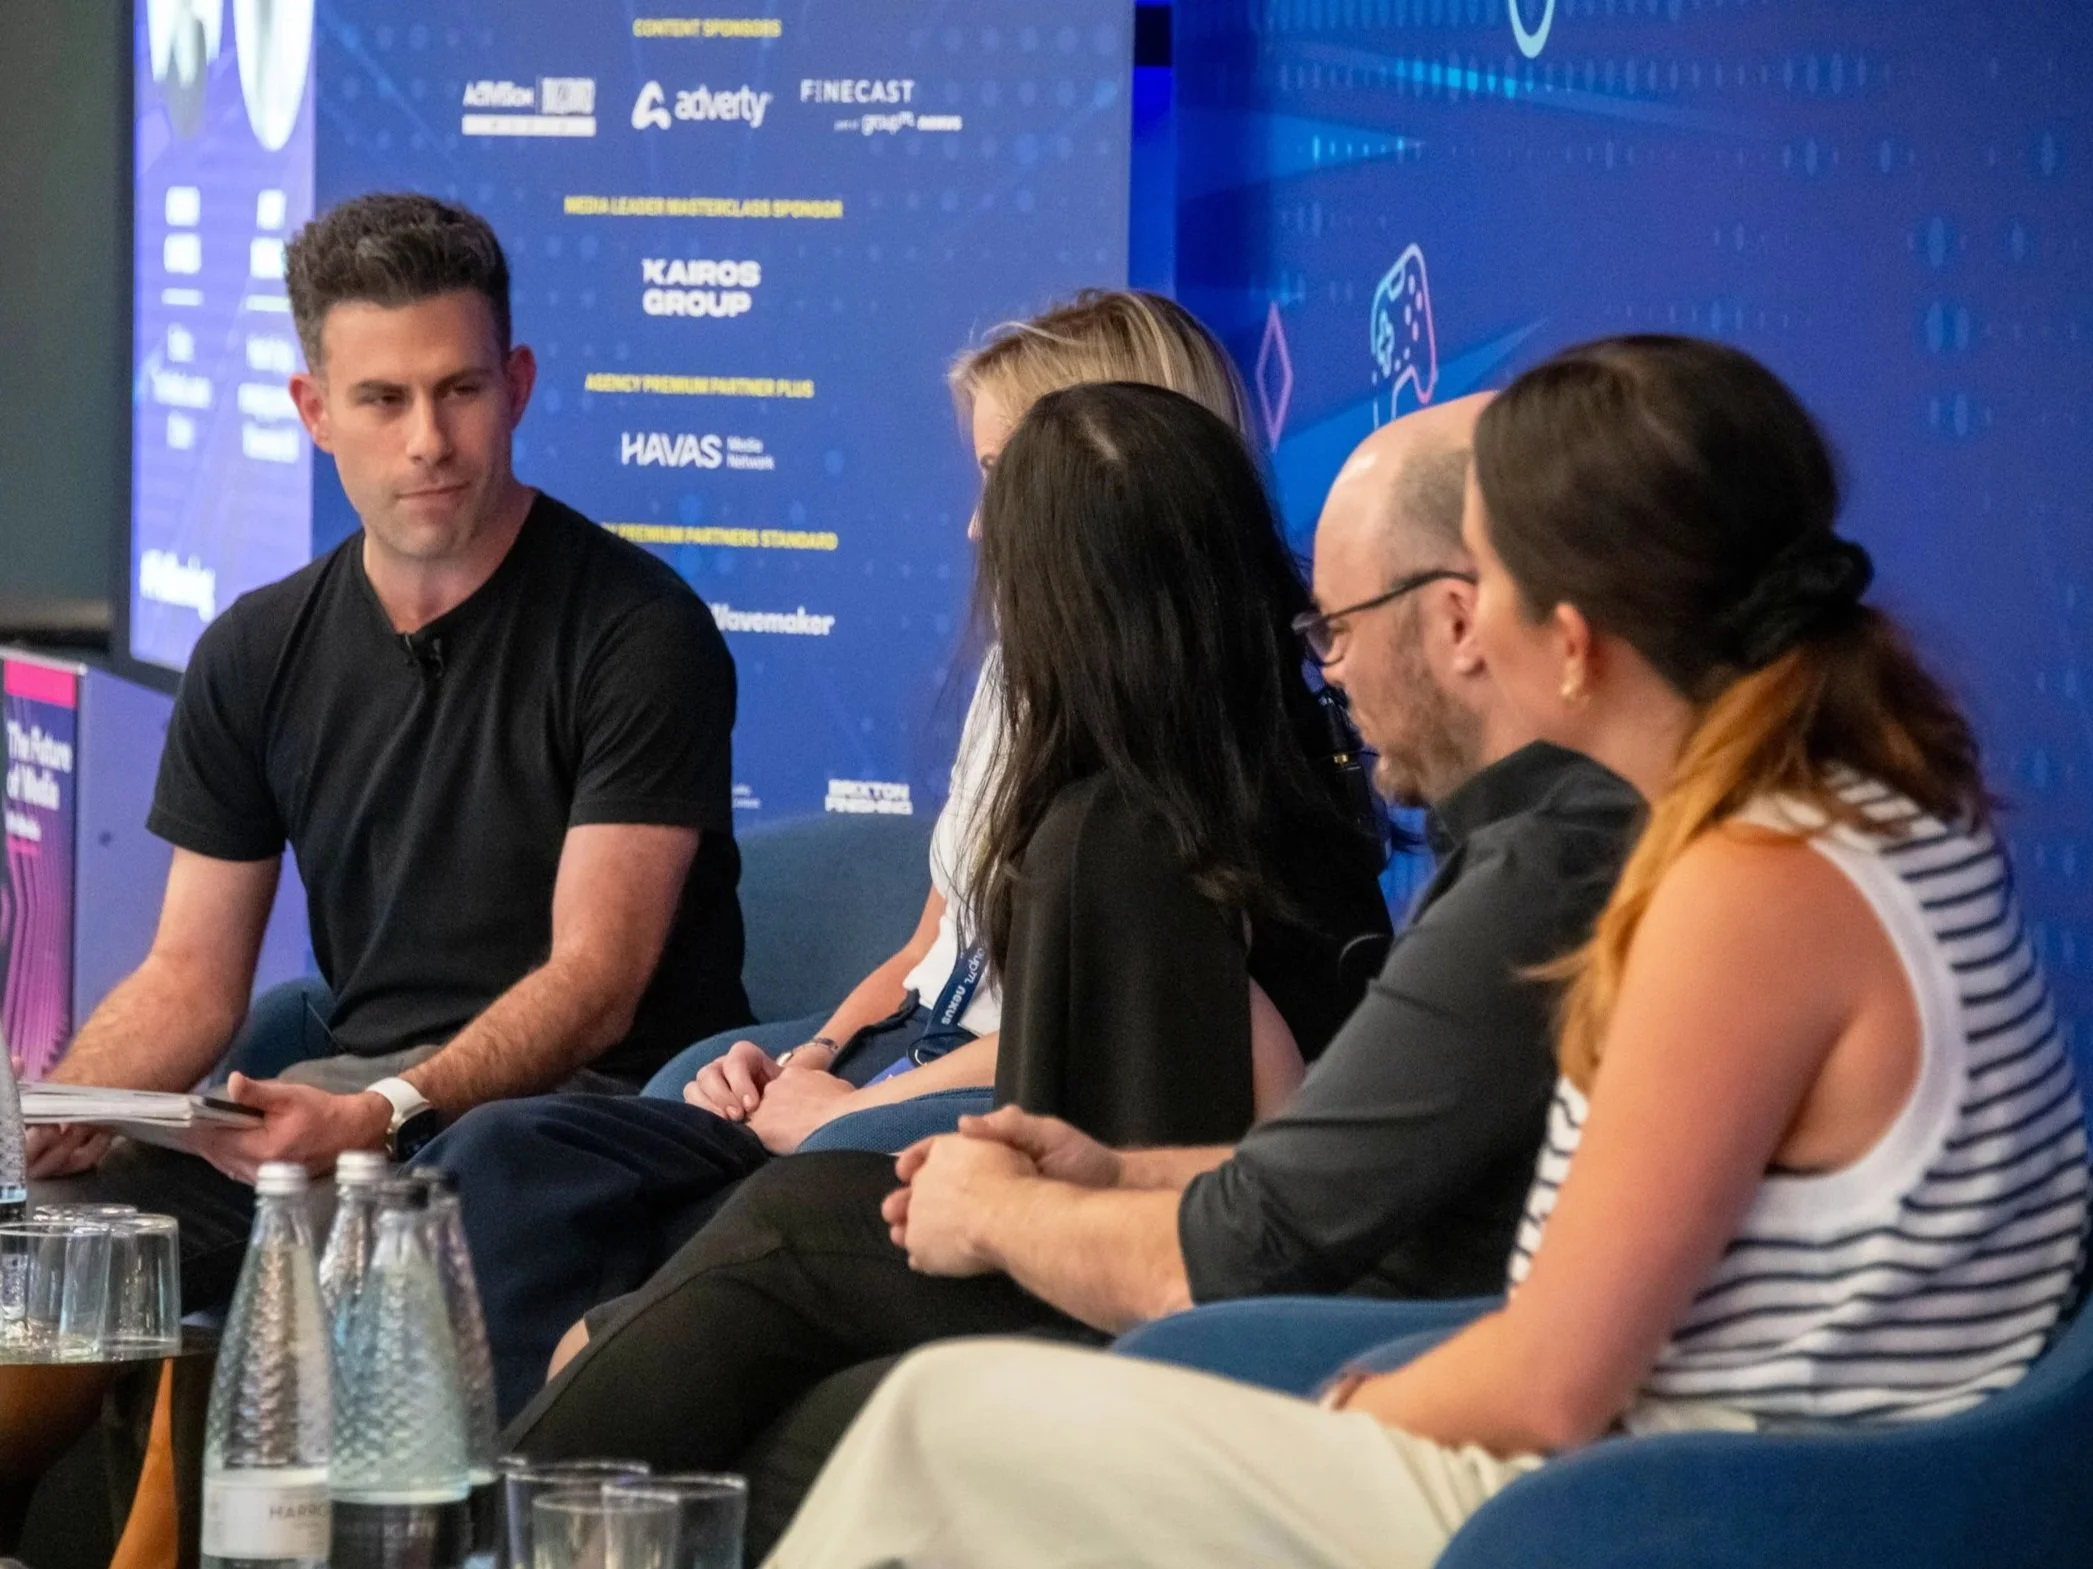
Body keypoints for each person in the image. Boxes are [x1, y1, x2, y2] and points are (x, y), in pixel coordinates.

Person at [763, 334, 2093, 1569]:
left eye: (1486, 588)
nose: (1460, 632)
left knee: (938, 1423)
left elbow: (1547, 1380)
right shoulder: (1849, 812)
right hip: (1692, 1480)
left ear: (1567, 643)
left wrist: (1328, 1405)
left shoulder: (1743, 892)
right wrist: (1128, 1170)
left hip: (1661, 1515)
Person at [499, 393, 1646, 1559]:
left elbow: (1282, 1237)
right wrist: (1097, 1169)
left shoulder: (1532, 868)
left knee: (783, 1302)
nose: (1328, 666)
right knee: (708, 1244)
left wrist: (1011, 1206)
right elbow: (1329, 1165)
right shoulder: (1492, 837)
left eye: (1337, 628)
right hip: (1286, 1292)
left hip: (1302, 1344)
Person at [420, 290, 1287, 1417]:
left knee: (692, 1239)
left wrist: (842, 1112)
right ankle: (486, 1478)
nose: (980, 527)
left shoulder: (1188, 760)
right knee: (506, 1159)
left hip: (981, 1104)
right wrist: (809, 1057)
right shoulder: (1018, 680)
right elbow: (938, 935)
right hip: (902, 1053)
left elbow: (1102, 1046)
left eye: (1004, 478)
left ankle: (578, 1435)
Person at [25, 193, 748, 1306]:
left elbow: (595, 984)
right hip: (354, 1103)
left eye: (459, 390)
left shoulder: (637, 631)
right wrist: (67, 1116)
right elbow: (188, 977)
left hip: (584, 1113)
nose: (428, 440)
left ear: (516, 385)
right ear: (314, 410)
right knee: (54, 1239)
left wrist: (381, 1113)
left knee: (380, 1215)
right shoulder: (257, 648)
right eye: (382, 399)